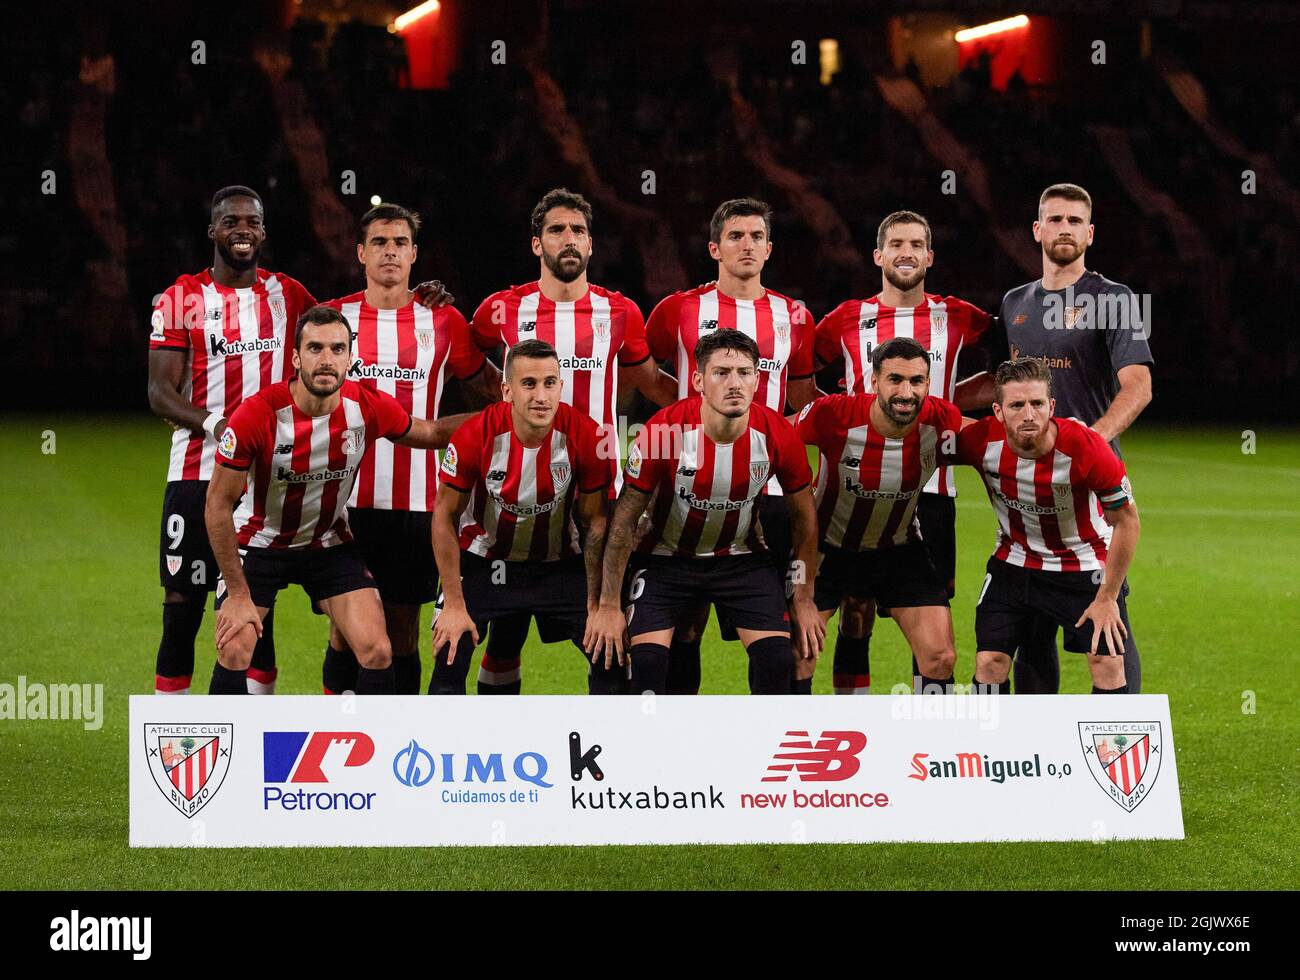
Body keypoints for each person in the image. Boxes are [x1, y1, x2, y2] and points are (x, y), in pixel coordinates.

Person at [464, 187, 676, 693]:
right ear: (537, 243)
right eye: (557, 230)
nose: (569, 239)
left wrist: (711, 406)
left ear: (591, 244)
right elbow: (469, 362)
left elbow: (651, 382)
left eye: (578, 230)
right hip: (516, 491)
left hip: (597, 493)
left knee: (605, 632)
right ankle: (500, 744)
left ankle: (604, 754)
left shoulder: (619, 312)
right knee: (505, 636)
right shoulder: (502, 308)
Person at [205, 306, 468, 694]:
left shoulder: (366, 406)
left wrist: (503, 417)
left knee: (378, 650)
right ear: (295, 357)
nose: (326, 360)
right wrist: (238, 594)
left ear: (350, 358)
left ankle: (369, 747)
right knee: (236, 649)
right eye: (314, 348)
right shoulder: (257, 414)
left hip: (327, 544)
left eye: (337, 349)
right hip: (259, 543)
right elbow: (216, 505)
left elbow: (428, 433)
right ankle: (224, 752)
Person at [317, 203, 501, 696]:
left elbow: (492, 387)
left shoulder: (441, 321)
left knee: (402, 633)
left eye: (400, 243)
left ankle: (395, 743)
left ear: (415, 254)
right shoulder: (336, 319)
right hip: (345, 503)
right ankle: (336, 734)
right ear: (360, 253)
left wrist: (511, 412)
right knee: (346, 631)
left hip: (417, 504)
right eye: (379, 242)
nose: (390, 252)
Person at [980, 183, 1153, 693]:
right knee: (1030, 617)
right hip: (1027, 480)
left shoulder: (1113, 300)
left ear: (1090, 233)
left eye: (1075, 221)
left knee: (1106, 616)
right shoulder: (1016, 302)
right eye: (1055, 220)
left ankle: (1128, 739)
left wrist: (1092, 442)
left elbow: (1138, 385)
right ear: (1037, 230)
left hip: (1090, 484)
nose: (1064, 229)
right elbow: (998, 385)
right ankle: (1037, 752)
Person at [812, 209, 993, 694]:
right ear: (879, 255)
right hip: (855, 485)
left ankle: (925, 737)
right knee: (856, 608)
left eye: (916, 245)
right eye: (896, 244)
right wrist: (828, 423)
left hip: (930, 488)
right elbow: (800, 376)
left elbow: (1006, 369)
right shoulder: (847, 318)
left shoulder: (958, 315)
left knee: (930, 622)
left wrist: (956, 402)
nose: (906, 253)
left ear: (930, 256)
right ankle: (853, 717)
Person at [586, 329, 824, 694]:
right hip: (665, 559)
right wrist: (608, 603)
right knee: (647, 661)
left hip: (742, 560)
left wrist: (803, 597)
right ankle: (649, 746)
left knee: (778, 658)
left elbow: (805, 521)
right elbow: (625, 519)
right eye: (721, 372)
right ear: (698, 380)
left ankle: (767, 747)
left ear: (758, 380)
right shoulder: (663, 431)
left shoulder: (777, 434)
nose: (735, 383)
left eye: (745, 373)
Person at [146, 185, 315, 695]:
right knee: (182, 605)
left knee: (256, 604)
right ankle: (171, 737)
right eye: (231, 222)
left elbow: (345, 326)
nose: (243, 230)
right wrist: (218, 424)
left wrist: (418, 298)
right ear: (213, 231)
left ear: (263, 231)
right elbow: (159, 392)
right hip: (197, 472)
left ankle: (253, 728)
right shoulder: (182, 298)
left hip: (268, 478)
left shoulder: (289, 294)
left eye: (253, 222)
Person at [645, 197, 817, 694]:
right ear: (714, 247)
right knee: (686, 623)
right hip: (689, 485)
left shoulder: (796, 316)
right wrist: (685, 412)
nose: (747, 245)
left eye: (757, 237)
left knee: (781, 627)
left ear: (769, 249)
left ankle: (777, 745)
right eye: (736, 236)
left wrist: (772, 445)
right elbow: (646, 373)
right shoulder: (678, 308)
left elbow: (801, 396)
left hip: (771, 491)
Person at [428, 340, 622, 694]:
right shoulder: (475, 436)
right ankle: (457, 745)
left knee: (611, 654)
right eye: (529, 384)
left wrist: (601, 604)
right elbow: (444, 515)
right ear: (507, 391)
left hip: (560, 564)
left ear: (561, 387)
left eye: (550, 383)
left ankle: (608, 743)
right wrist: (454, 604)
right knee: (450, 653)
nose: (541, 396)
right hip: (484, 562)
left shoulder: (588, 436)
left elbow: (595, 522)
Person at [951, 359, 1140, 694]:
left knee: (1107, 664)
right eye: (1016, 405)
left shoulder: (1086, 447)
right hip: (1014, 564)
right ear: (997, 410)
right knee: (990, 662)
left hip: (1083, 566)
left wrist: (1108, 596)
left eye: (1037, 404)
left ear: (1051, 406)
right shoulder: (979, 442)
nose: (1028, 415)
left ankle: (1112, 747)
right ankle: (986, 746)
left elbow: (1127, 521)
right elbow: (922, 434)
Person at [795, 337, 962, 694]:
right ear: (874, 382)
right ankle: (791, 738)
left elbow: (989, 444)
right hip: (826, 550)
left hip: (898, 549)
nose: (906, 392)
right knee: (798, 654)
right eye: (895, 380)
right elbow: (772, 437)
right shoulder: (833, 414)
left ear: (928, 385)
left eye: (916, 381)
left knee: (940, 656)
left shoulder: (942, 421)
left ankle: (935, 745)